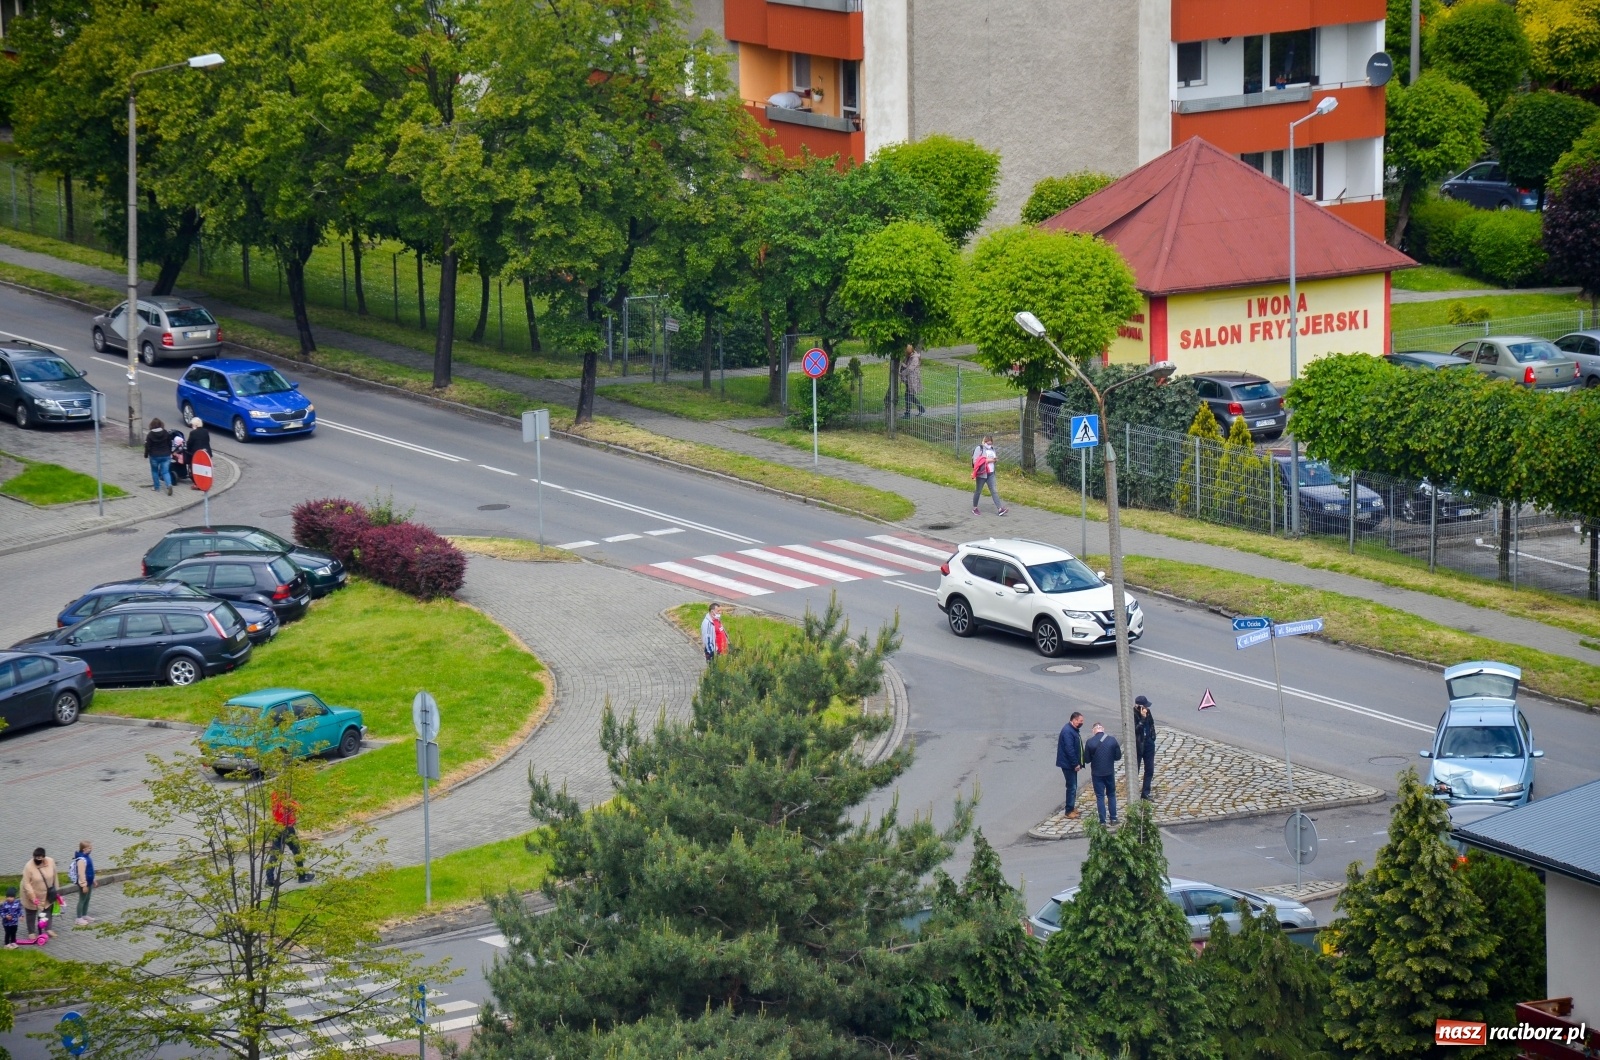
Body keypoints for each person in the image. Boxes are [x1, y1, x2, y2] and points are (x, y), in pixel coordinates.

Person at [267, 789, 313, 886]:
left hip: (276, 827)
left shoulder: (274, 795)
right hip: (287, 828)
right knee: (297, 852)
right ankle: (302, 876)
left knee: (275, 854)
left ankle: (270, 879)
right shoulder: (286, 798)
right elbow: (298, 807)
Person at [1084, 723, 1123, 826]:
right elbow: (1118, 756)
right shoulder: (1112, 740)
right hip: (1109, 772)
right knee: (1111, 794)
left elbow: (1087, 760)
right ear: (1103, 729)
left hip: (1097, 773)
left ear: (1093, 730)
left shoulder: (1090, 742)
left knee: (1100, 796)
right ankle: (1113, 818)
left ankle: (1102, 821)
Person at [20, 847, 55, 940]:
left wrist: (57, 891)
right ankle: (31, 932)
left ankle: (48, 929)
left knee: (47, 910)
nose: (37, 859)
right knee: (31, 912)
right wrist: (32, 897)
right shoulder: (28, 866)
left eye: (40, 857)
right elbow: (26, 883)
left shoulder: (51, 862)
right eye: (36, 857)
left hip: (46, 893)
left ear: (44, 857)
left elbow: (55, 876)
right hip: (31, 893)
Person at [1055, 711, 1085, 819]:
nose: (1082, 723)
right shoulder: (1068, 731)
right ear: (1074, 720)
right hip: (1068, 765)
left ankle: (1071, 807)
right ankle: (1068, 811)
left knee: (1073, 786)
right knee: (1071, 787)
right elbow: (1069, 749)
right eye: (1080, 721)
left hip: (1070, 764)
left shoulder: (1072, 730)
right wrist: (1075, 764)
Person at [971, 435, 1007, 516]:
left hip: (991, 473)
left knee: (994, 491)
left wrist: (995, 460)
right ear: (984, 442)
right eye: (988, 443)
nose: (989, 445)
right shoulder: (979, 448)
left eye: (991, 443)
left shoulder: (992, 449)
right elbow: (975, 461)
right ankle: (975, 508)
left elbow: (993, 460)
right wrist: (989, 460)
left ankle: (1000, 509)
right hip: (982, 474)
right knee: (978, 491)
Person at [1134, 696, 1157, 800]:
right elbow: (1136, 729)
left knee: (1150, 769)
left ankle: (1145, 792)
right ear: (1139, 707)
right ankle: (1134, 792)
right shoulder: (1132, 715)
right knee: (1136, 770)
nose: (1146, 709)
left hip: (1148, 744)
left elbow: (1151, 724)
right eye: (1145, 707)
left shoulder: (1148, 712)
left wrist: (1153, 737)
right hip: (1138, 746)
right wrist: (1142, 718)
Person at [144, 417, 173, 495]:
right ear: (161, 424)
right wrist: (170, 451)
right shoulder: (165, 433)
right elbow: (170, 443)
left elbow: (148, 446)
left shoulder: (150, 435)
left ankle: (157, 487)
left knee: (154, 471)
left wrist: (146, 455)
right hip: (166, 455)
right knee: (165, 472)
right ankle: (169, 484)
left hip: (154, 456)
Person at [70, 840, 96, 925]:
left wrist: (93, 880)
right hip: (84, 883)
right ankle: (78, 918)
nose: (91, 849)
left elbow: (90, 870)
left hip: (89, 882)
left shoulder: (87, 857)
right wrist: (83, 885)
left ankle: (84, 915)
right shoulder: (81, 860)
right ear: (84, 849)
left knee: (87, 899)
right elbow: (81, 874)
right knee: (82, 899)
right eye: (89, 848)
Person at [187, 417, 213, 490]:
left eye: (192, 425)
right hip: (206, 452)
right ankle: (206, 481)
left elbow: (189, 443)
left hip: (196, 454)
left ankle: (197, 483)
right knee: (205, 468)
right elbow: (208, 440)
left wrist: (188, 450)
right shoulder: (206, 431)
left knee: (196, 469)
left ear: (195, 425)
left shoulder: (193, 433)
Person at [900, 345, 926, 417]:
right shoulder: (908, 357)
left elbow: (910, 369)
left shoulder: (915, 358)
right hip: (908, 379)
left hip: (913, 380)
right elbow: (905, 365)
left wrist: (902, 373)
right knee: (909, 396)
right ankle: (921, 409)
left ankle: (908, 413)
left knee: (909, 396)